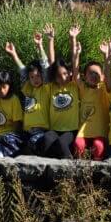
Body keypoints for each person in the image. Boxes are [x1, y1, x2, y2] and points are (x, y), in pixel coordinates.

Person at [4, 28, 50, 155]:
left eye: (38, 76)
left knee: (33, 142)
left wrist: (40, 46)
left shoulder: (46, 88)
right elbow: (23, 71)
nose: (35, 79)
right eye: (32, 77)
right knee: (7, 138)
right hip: (26, 131)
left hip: (40, 131)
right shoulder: (28, 89)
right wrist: (13, 54)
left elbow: (45, 66)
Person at [71, 25, 110, 160]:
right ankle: (80, 172)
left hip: (100, 131)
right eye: (90, 74)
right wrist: (75, 49)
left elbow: (108, 74)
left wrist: (107, 56)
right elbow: (75, 74)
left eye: (97, 74)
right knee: (78, 144)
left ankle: (96, 174)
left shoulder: (104, 90)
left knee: (98, 146)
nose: (94, 76)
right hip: (84, 131)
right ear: (85, 76)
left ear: (102, 76)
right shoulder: (83, 89)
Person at [43, 24, 79, 159]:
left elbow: (75, 60)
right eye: (59, 75)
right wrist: (50, 39)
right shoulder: (52, 87)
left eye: (65, 73)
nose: (63, 77)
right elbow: (52, 63)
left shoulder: (74, 85)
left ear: (69, 73)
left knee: (62, 143)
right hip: (55, 129)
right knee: (46, 139)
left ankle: (69, 171)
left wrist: (73, 39)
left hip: (71, 129)